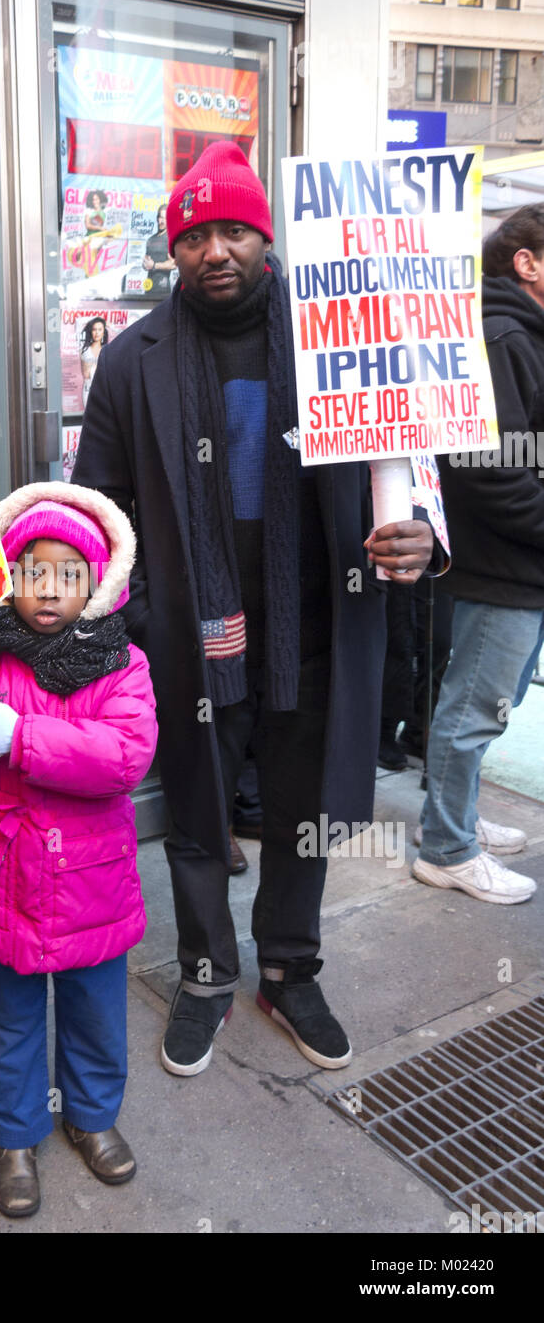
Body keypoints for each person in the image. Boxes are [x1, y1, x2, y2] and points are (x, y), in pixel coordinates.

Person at [73, 141, 438, 1077]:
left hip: (314, 625)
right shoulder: (129, 361)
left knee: (301, 811)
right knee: (196, 815)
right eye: (195, 235)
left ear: (265, 238)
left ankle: (289, 966)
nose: (215, 251)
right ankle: (203, 971)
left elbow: (411, 462)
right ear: (174, 251)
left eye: (235, 229)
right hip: (192, 640)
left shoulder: (344, 339)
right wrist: (145, 615)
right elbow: (98, 511)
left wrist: (421, 534)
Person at [0, 482, 157, 1217]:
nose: (47, 590)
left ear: (98, 582)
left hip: (90, 887)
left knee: (95, 1014)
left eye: (68, 574)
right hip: (1, 878)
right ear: (5, 578)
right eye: (30, 572)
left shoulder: (122, 664)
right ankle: (13, 1136)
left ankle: (91, 1115)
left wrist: (18, 737)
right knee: (4, 1017)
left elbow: (123, 755)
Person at [413, 206, 544, 904]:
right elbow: (489, 470)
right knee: (473, 713)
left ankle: (452, 817)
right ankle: (445, 847)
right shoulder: (500, 336)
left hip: (516, 565)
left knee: (485, 706)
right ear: (526, 262)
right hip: (501, 568)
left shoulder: (516, 333)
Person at [141, 204, 177, 296]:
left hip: (163, 290)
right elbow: (146, 263)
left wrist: (154, 265)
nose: (162, 221)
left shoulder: (170, 239)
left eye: (165, 218)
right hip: (148, 288)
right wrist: (145, 264)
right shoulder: (150, 239)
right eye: (160, 218)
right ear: (157, 218)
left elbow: (173, 264)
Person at [79, 316, 108, 404]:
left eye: (100, 329)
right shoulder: (84, 350)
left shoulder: (107, 350)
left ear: (104, 331)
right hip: (88, 388)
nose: (97, 333)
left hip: (104, 388)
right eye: (94, 329)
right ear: (90, 331)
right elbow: (86, 374)